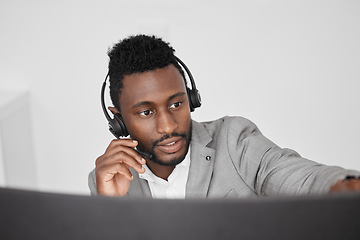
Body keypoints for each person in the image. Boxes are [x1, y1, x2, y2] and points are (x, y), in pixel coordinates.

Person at [88, 34, 360, 198]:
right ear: (118, 120)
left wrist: (346, 187)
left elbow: (306, 180)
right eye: (146, 112)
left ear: (191, 99)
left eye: (176, 104)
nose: (168, 126)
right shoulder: (107, 179)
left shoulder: (235, 141)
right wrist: (110, 208)